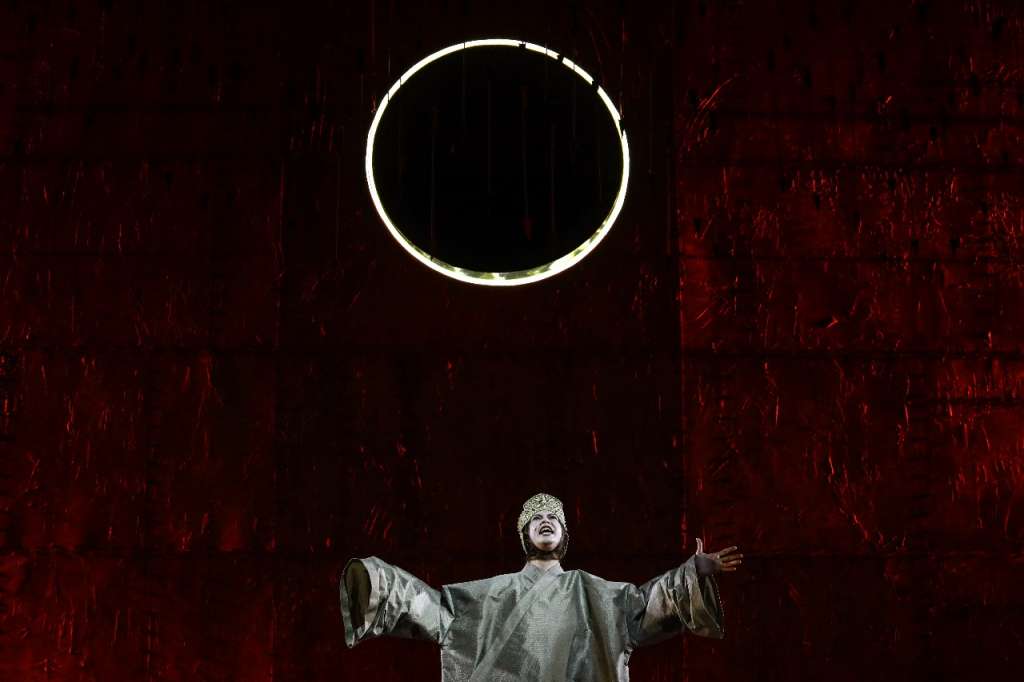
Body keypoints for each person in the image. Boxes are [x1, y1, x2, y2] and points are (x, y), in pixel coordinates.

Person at [341, 492, 742, 681]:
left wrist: (694, 571)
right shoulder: (490, 595)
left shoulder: (593, 593)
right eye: (536, 518)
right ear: (524, 534)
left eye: (553, 517)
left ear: (564, 533)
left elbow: (643, 609)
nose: (545, 520)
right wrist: (378, 582)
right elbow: (435, 611)